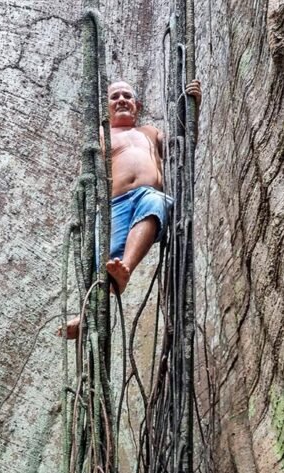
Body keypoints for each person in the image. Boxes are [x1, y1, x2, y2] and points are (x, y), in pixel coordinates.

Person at [61, 79, 202, 339]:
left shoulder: (150, 132)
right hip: (113, 206)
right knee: (102, 265)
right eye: (115, 97)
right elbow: (87, 177)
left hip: (147, 196)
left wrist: (194, 107)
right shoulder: (101, 136)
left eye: (127, 96)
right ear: (107, 108)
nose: (122, 100)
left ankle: (127, 269)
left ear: (137, 105)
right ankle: (88, 316)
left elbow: (182, 148)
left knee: (155, 202)